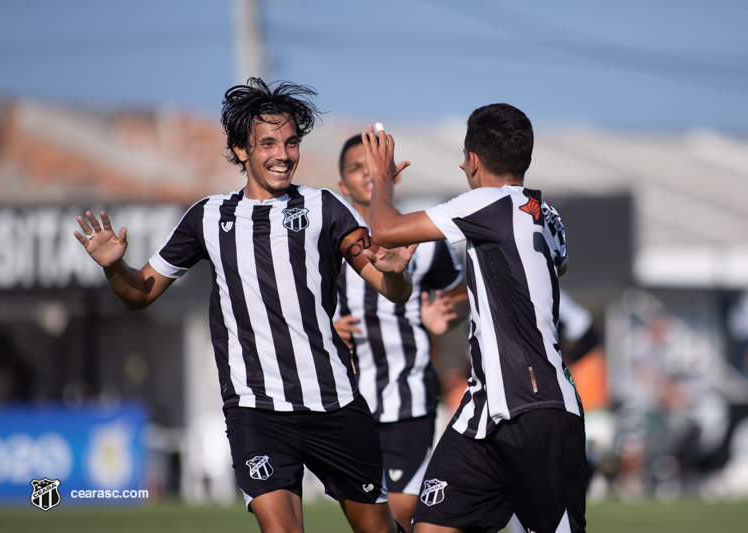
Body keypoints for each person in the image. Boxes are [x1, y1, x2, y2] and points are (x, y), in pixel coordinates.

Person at [74, 78, 415, 533]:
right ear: (240, 150)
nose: (283, 154)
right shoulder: (207, 217)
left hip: (335, 402)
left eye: (291, 142)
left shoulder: (325, 208)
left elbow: (391, 288)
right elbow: (140, 294)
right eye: (268, 142)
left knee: (378, 529)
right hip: (255, 409)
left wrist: (394, 271)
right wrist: (115, 268)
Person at [361, 105, 587, 532]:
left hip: (533, 408)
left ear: (474, 160)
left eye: (464, 157)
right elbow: (538, 276)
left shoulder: (486, 202)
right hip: (483, 411)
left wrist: (383, 180)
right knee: (433, 525)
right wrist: (452, 301)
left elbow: (385, 229)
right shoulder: (546, 215)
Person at [334, 134, 469, 531]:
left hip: (408, 397)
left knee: (401, 512)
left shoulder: (421, 237)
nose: (366, 175)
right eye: (356, 168)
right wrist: (328, 328)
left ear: (390, 175)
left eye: (371, 166)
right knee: (368, 520)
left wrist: (447, 313)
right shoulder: (327, 237)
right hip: (349, 401)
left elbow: (464, 294)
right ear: (343, 186)